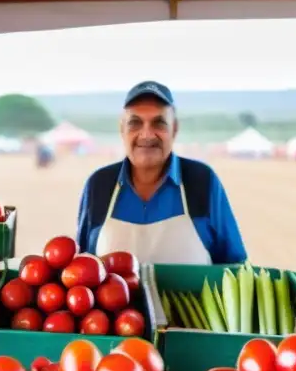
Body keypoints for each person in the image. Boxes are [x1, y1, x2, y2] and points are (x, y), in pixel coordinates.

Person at [77, 81, 246, 265]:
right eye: (135, 123)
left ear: (174, 128)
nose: (147, 135)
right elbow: (81, 271)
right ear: (122, 129)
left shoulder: (202, 181)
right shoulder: (99, 185)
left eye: (159, 123)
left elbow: (236, 268)